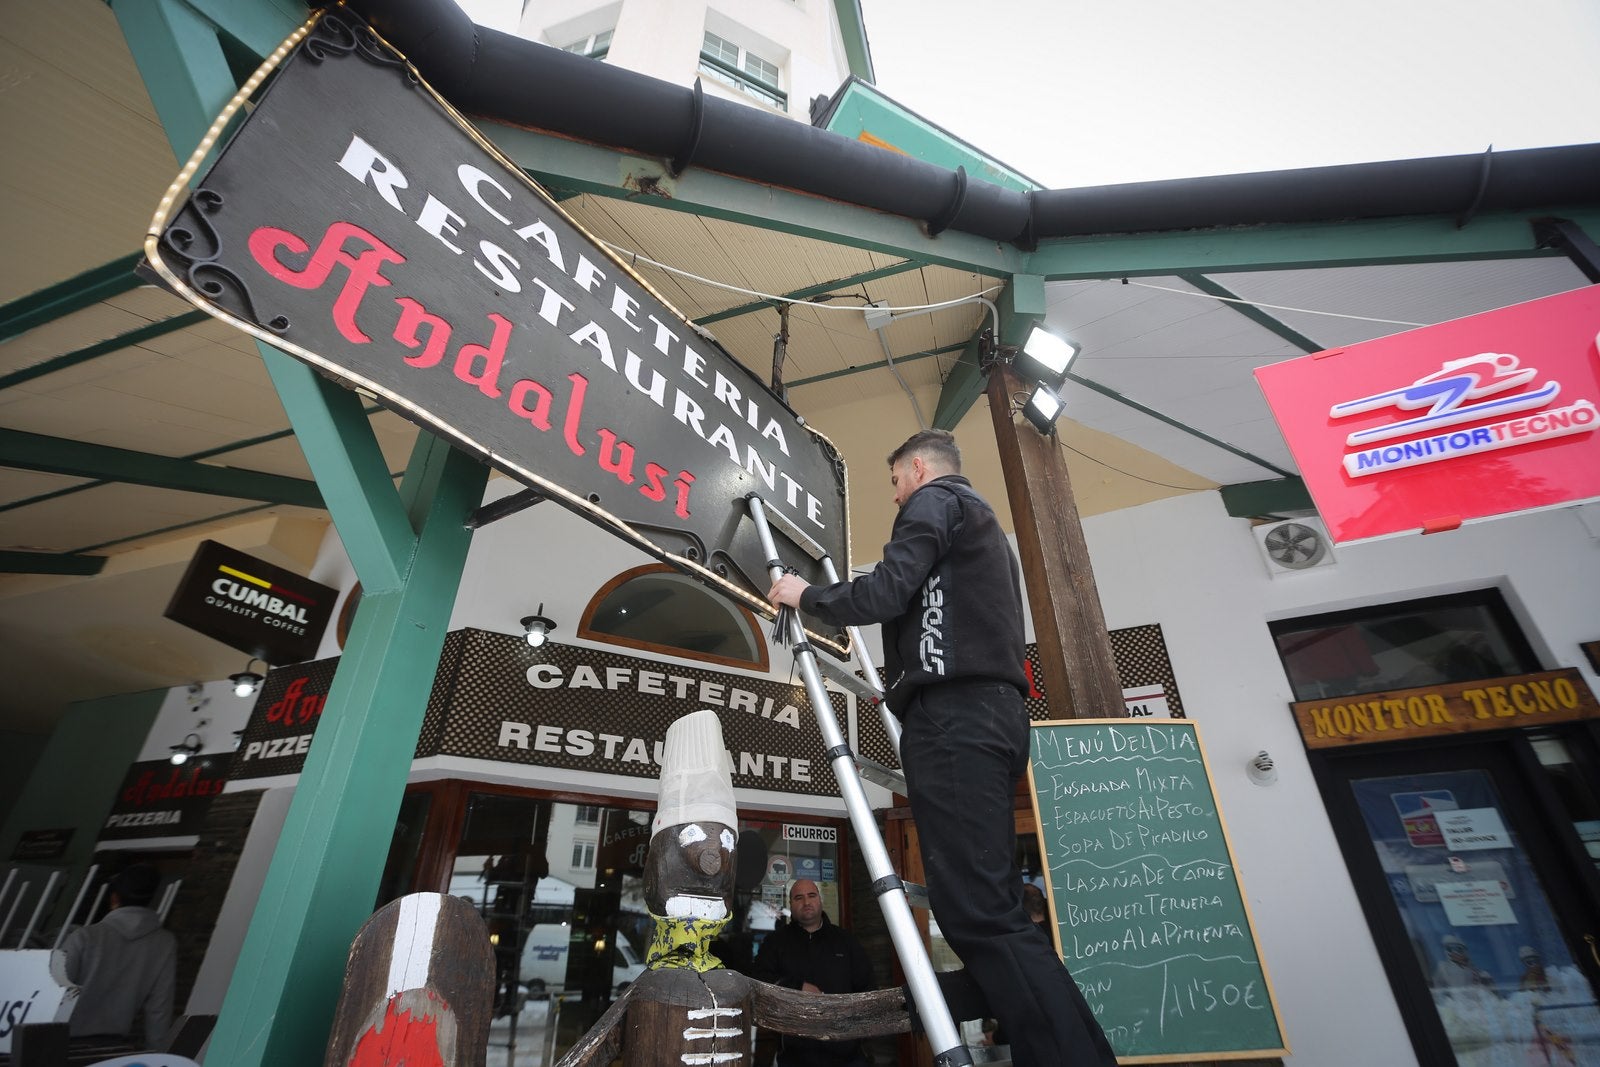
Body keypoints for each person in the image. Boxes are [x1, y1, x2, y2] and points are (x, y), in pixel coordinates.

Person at [767, 429, 1116, 1067]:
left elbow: (884, 593)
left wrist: (804, 595)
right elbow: (913, 598)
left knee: (982, 915)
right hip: (993, 717)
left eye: (896, 481)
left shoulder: (935, 503)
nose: (895, 497)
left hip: (956, 719)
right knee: (991, 910)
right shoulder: (983, 532)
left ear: (918, 469)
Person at [751, 879, 876, 1066]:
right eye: (798, 898)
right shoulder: (776, 942)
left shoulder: (846, 941)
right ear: (791, 904)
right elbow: (759, 981)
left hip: (847, 1054)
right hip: (795, 1054)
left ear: (820, 900)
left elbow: (868, 988)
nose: (806, 902)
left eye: (811, 895)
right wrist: (797, 987)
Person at [60, 863, 177, 1049]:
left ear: (114, 898)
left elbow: (55, 993)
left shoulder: (85, 937)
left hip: (61, 1040)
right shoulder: (164, 943)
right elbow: (159, 1008)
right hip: (110, 1046)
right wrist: (157, 1053)